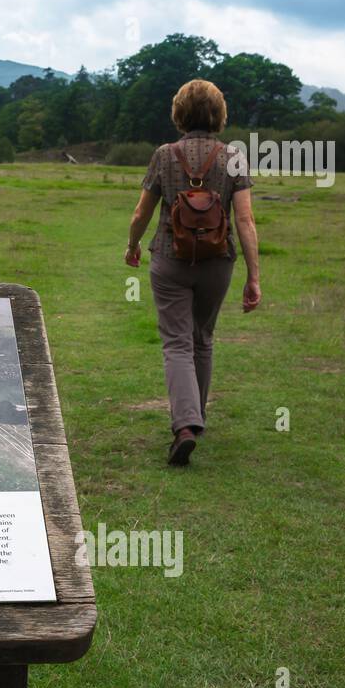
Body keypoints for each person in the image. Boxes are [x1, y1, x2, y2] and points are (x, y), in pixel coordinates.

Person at [124, 79, 262, 465]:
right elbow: (246, 220)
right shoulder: (233, 156)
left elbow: (142, 213)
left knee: (176, 343)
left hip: (170, 258)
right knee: (202, 338)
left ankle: (185, 425)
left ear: (179, 113)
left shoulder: (164, 155)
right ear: (219, 114)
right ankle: (194, 419)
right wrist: (253, 276)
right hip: (218, 261)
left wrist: (133, 245)